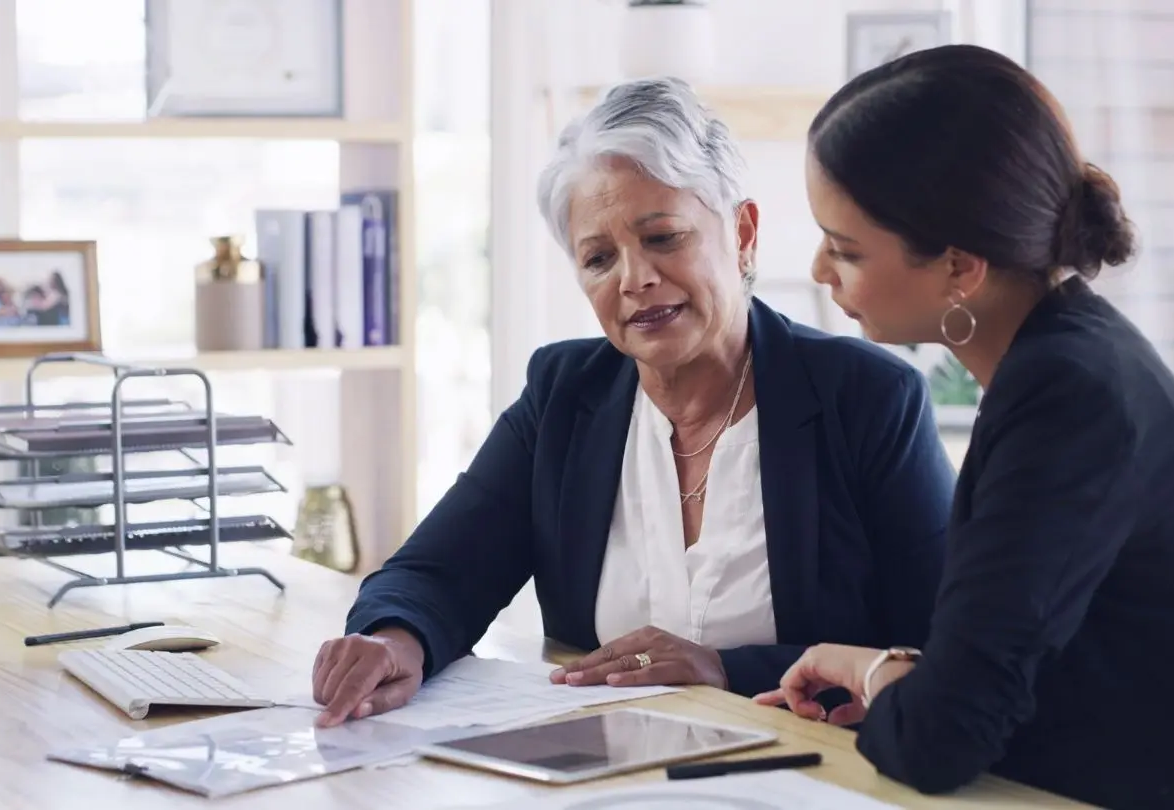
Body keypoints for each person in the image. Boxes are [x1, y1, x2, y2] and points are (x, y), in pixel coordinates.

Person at [752, 44, 1174, 810]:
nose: (819, 269)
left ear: (959, 269)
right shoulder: (1068, 357)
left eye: (845, 249)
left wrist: (882, 679)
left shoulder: (1065, 396)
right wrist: (901, 674)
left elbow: (940, 741)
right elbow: (1009, 658)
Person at [310, 77, 956, 728]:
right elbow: (437, 571)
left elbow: (938, 654)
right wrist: (393, 642)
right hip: (609, 775)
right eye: (598, 258)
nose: (634, 279)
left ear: (742, 232)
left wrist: (726, 667)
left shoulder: (868, 398)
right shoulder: (564, 393)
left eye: (663, 238)